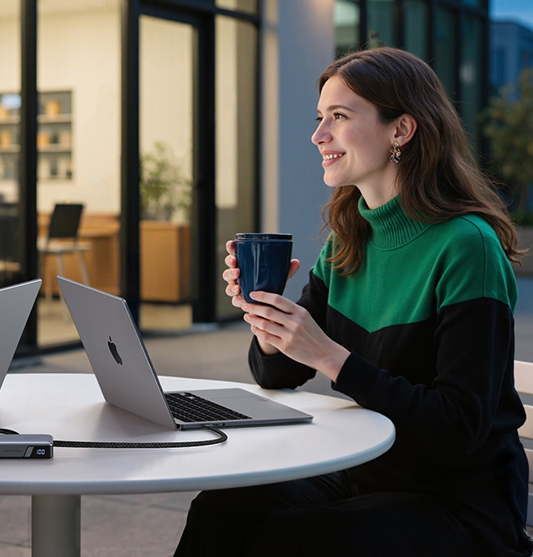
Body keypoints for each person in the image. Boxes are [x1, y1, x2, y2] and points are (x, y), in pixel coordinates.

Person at [174, 47, 532, 557]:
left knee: (290, 540)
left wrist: (328, 355)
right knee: (222, 509)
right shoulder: (350, 239)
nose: (319, 136)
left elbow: (458, 428)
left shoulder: (466, 246)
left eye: (339, 117)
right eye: (321, 119)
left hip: (458, 503)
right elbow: (278, 375)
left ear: (400, 130)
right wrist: (269, 321)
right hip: (364, 476)